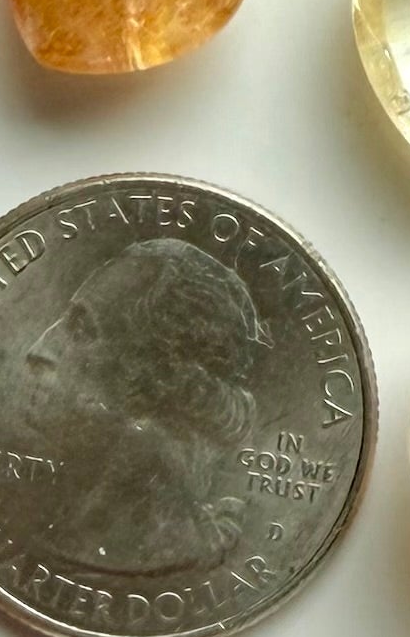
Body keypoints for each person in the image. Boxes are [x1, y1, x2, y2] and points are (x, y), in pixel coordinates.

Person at [22, 237, 268, 575]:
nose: (38, 349)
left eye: (81, 328)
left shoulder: (129, 546)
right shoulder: (75, 526)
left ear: (157, 373)